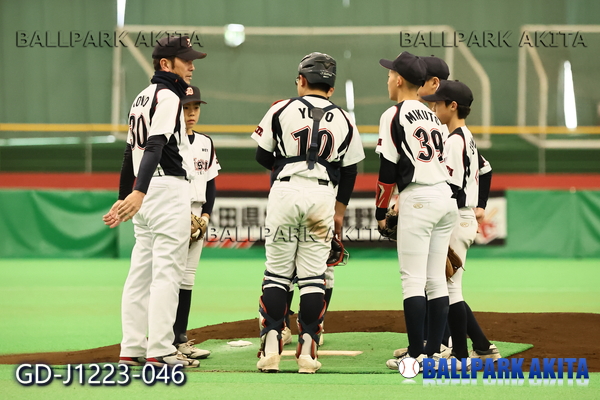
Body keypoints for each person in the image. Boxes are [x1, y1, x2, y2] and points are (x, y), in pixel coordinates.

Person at [252, 52, 365, 373]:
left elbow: (262, 155)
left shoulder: (281, 109)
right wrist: (339, 210)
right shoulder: (344, 119)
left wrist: (289, 165)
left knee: (277, 273)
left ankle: (271, 348)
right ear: (331, 88)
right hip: (322, 195)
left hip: (286, 191)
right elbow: (351, 170)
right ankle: (307, 351)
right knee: (314, 276)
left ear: (301, 80)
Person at [102, 35, 206, 368]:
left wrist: (126, 195)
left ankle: (132, 347)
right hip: (165, 190)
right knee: (167, 274)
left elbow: (128, 152)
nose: (191, 66)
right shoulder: (170, 96)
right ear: (165, 64)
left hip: (146, 193)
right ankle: (160, 350)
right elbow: (155, 145)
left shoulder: (142, 96)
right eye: (185, 60)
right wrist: (138, 192)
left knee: (140, 275)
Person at [374, 52, 458, 370]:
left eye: (389, 74)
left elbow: (387, 169)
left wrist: (381, 211)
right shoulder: (433, 116)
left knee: (412, 280)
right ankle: (434, 352)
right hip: (445, 197)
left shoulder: (393, 114)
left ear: (399, 80)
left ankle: (415, 355)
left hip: (419, 197)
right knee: (436, 279)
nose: (387, 79)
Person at [422, 80, 500, 364]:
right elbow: (485, 170)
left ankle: (458, 353)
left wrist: (431, 215)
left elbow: (452, 188)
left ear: (452, 106)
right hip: (463, 217)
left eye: (438, 103)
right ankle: (473, 348)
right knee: (448, 287)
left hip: (456, 217)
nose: (434, 107)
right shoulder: (465, 136)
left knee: (448, 288)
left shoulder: (455, 141)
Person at [172, 86, 220, 360]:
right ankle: (163, 341)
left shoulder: (205, 142)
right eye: (186, 107)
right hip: (173, 212)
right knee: (169, 278)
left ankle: (180, 339)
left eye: (196, 107)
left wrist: (205, 216)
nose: (191, 113)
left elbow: (211, 183)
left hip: (197, 215)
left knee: (187, 279)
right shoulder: (168, 141)